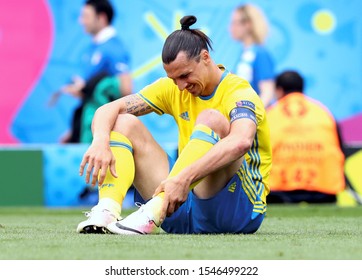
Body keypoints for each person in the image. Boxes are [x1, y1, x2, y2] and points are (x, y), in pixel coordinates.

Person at [77, 15, 272, 235]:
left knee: (212, 118)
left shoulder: (239, 92)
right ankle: (107, 211)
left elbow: (241, 141)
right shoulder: (174, 87)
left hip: (236, 214)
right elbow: (107, 109)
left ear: (205, 57)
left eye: (185, 75)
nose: (180, 86)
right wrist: (100, 142)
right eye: (173, 79)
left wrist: (183, 179)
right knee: (122, 121)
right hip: (181, 206)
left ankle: (155, 208)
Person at [266, 70, 345, 203]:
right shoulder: (323, 113)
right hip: (323, 191)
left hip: (278, 191)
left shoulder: (270, 114)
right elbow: (340, 150)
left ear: (279, 90)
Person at [61, 0, 132, 143]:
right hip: (89, 124)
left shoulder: (113, 48)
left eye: (86, 16)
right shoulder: (93, 48)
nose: (81, 21)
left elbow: (126, 89)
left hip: (103, 131)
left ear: (102, 17)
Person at [229, 4, 275, 107]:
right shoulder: (243, 54)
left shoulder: (260, 53)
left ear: (248, 24)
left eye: (234, 23)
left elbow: (267, 92)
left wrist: (251, 117)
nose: (230, 28)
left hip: (253, 119)